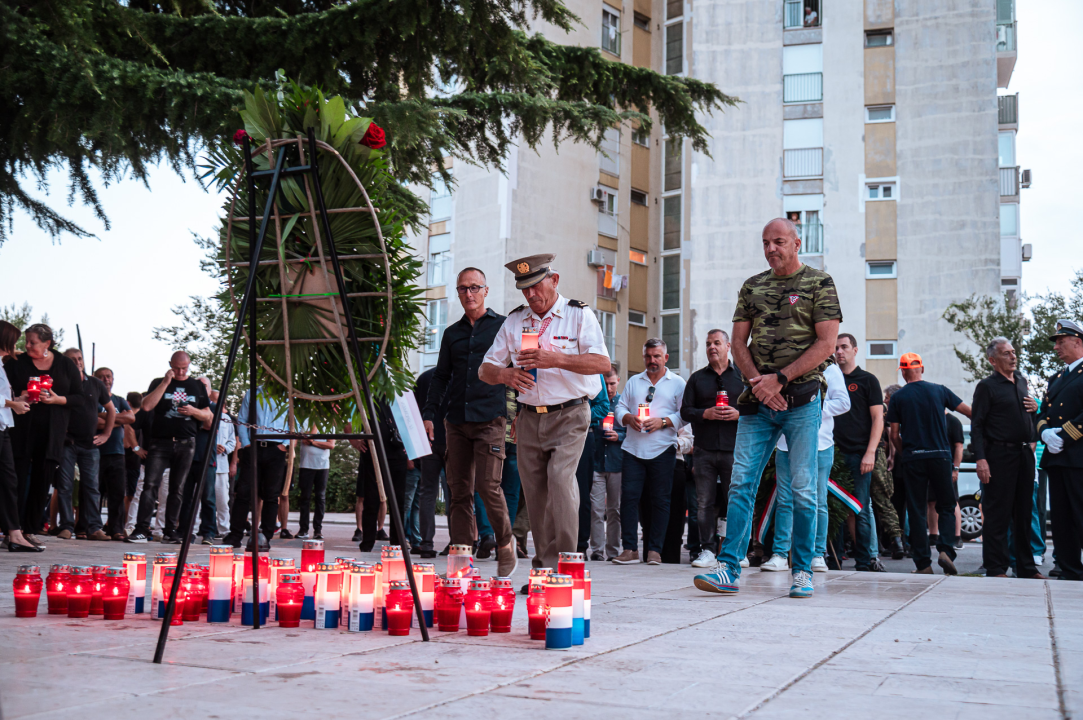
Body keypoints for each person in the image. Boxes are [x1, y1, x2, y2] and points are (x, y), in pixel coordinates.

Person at [694, 218, 842, 600]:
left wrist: (780, 378)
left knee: (804, 489)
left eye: (778, 242)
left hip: (803, 402)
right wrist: (760, 384)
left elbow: (826, 343)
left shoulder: (819, 283)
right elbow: (738, 343)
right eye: (765, 243)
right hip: (758, 403)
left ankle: (803, 570)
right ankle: (728, 568)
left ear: (797, 242)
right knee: (742, 483)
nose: (771, 249)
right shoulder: (753, 286)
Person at [479, 254, 611, 570]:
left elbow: (602, 364)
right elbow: (485, 369)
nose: (531, 295)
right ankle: (544, 567)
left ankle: (568, 564)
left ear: (554, 280)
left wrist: (557, 359)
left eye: (536, 287)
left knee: (561, 480)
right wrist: (505, 375)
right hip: (527, 417)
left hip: (570, 413)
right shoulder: (514, 321)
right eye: (524, 290)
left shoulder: (579, 316)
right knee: (536, 494)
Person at [423, 267, 516, 576]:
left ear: (485, 291)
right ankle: (461, 558)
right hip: (456, 421)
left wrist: (519, 416)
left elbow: (521, 371)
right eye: (463, 288)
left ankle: (505, 544)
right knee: (458, 491)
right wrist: (429, 415)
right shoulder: (452, 334)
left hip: (491, 418)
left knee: (488, 485)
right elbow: (440, 377)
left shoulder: (504, 327)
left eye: (474, 287)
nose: (469, 293)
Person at [886, 352, 972, 575]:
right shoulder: (939, 390)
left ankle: (923, 564)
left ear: (903, 372)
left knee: (916, 509)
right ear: (921, 369)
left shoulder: (898, 397)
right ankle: (945, 550)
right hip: (941, 456)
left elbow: (894, 434)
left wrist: (907, 453)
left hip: (914, 457)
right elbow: (969, 412)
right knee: (946, 505)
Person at [764, 360, 851, 573]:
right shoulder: (783, 367)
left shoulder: (829, 368)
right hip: (786, 443)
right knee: (785, 500)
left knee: (818, 500)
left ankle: (817, 555)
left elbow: (843, 402)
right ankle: (780, 555)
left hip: (820, 444)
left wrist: (810, 407)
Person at [972, 337, 1042, 579]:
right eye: (1006, 354)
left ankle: (1026, 568)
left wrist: (1034, 422)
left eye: (1013, 352)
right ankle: (996, 567)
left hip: (1024, 454)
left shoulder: (1022, 382)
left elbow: (1028, 416)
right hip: (998, 455)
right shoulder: (987, 386)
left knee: (1024, 513)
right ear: (993, 360)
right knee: (998, 514)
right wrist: (981, 459)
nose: (1013, 357)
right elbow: (977, 425)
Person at [612, 338, 685, 566]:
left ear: (666, 358)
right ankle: (629, 549)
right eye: (648, 356)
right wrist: (627, 418)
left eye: (656, 356)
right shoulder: (634, 381)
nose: (652, 361)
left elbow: (685, 414)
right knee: (629, 500)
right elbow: (619, 407)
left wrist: (663, 421)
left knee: (660, 501)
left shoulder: (678, 383)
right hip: (633, 449)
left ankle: (655, 550)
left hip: (662, 449)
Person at [7, 324, 84, 538]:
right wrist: (20, 393)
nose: (27, 345)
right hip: (21, 428)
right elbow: (4, 391)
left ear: (47, 343)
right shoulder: (16, 363)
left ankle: (31, 528)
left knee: (43, 479)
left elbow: (80, 398)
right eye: (26, 341)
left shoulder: (64, 364)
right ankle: (13, 528)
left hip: (52, 431)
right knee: (17, 478)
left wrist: (57, 399)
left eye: (33, 342)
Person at [126, 352, 210, 543]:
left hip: (186, 442)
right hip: (160, 442)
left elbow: (207, 416)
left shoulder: (197, 386)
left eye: (184, 368)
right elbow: (146, 406)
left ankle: (170, 531)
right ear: (170, 365)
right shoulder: (159, 382)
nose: (180, 372)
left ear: (189, 366)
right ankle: (141, 529)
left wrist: (193, 410)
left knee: (177, 488)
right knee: (150, 485)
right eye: (177, 368)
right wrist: (165, 382)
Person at [832, 333, 896, 565]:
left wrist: (871, 452)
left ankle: (865, 561)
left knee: (860, 508)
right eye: (836, 348)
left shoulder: (868, 380)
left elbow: (878, 419)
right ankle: (834, 559)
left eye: (844, 347)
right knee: (834, 509)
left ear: (855, 350)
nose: (839, 352)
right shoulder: (830, 379)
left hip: (860, 453)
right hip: (833, 454)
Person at [681, 329, 743, 568]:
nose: (712, 347)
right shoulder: (697, 379)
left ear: (728, 346)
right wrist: (704, 413)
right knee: (704, 503)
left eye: (717, 343)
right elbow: (685, 412)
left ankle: (737, 550)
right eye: (708, 344)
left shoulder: (742, 377)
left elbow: (757, 408)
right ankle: (707, 550)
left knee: (735, 501)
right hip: (705, 450)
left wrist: (739, 414)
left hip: (733, 449)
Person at [1037, 319, 1083, 581]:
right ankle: (1069, 567)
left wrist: (1065, 434)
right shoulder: (1055, 378)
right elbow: (1043, 412)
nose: (1056, 347)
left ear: (1077, 342)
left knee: (1080, 512)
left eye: (1060, 341)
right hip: (1056, 457)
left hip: (1078, 456)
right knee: (1062, 517)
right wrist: (1044, 431)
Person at [56, 348, 115, 541]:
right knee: (64, 485)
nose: (77, 362)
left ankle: (94, 528)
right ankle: (66, 526)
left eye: (79, 358)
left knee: (92, 487)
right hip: (67, 443)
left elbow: (111, 409)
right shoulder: (61, 383)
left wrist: (106, 434)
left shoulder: (96, 384)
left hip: (90, 444)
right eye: (72, 359)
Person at [222, 386, 287, 551]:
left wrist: (284, 444)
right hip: (254, 446)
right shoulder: (253, 392)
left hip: (275, 448)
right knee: (243, 492)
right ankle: (235, 535)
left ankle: (265, 537)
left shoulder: (287, 393)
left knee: (271, 495)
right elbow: (242, 419)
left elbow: (296, 420)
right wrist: (246, 444)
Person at [0, 321, 40, 552]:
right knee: (7, 480)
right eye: (14, 339)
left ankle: (14, 533)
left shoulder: (2, 365)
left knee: (9, 480)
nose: (18, 344)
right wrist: (12, 403)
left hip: (3, 427)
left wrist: (19, 398)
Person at [350, 398, 408, 552]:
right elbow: (348, 422)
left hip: (397, 455)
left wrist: (410, 451)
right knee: (371, 500)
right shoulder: (365, 397)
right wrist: (355, 441)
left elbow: (410, 424)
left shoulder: (399, 398)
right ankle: (367, 542)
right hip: (373, 456)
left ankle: (397, 542)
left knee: (398, 502)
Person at [93, 367, 135, 540]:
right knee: (95, 492)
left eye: (108, 376)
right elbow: (94, 422)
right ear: (95, 379)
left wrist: (107, 418)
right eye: (101, 377)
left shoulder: (119, 400)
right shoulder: (93, 399)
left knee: (117, 493)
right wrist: (118, 419)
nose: (106, 379)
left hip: (118, 453)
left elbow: (131, 418)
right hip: (96, 450)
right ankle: (95, 528)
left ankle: (116, 528)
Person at [591, 369, 625, 561]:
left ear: (618, 381)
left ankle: (613, 551)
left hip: (616, 462)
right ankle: (596, 550)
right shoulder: (595, 401)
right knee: (596, 509)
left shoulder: (623, 403)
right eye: (606, 384)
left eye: (612, 383)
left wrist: (619, 436)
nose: (609, 388)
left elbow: (635, 431)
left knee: (615, 510)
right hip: (597, 462)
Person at [414, 367, 447, 558]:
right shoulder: (456, 374)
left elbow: (416, 412)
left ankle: (426, 543)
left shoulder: (424, 377)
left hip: (428, 441)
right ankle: (457, 542)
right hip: (452, 439)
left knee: (427, 492)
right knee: (456, 493)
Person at [295, 426, 335, 540]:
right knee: (304, 498)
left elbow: (331, 445)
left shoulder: (329, 424)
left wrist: (312, 442)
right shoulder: (306, 422)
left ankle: (318, 530)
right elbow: (306, 439)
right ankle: (303, 529)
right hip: (306, 465)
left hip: (323, 466)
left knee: (320, 497)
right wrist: (315, 426)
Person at [213, 409, 235, 537]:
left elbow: (232, 441)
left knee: (223, 500)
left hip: (221, 465)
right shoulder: (200, 413)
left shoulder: (226, 418)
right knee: (198, 500)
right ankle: (194, 530)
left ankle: (224, 529)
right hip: (203, 464)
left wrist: (225, 448)